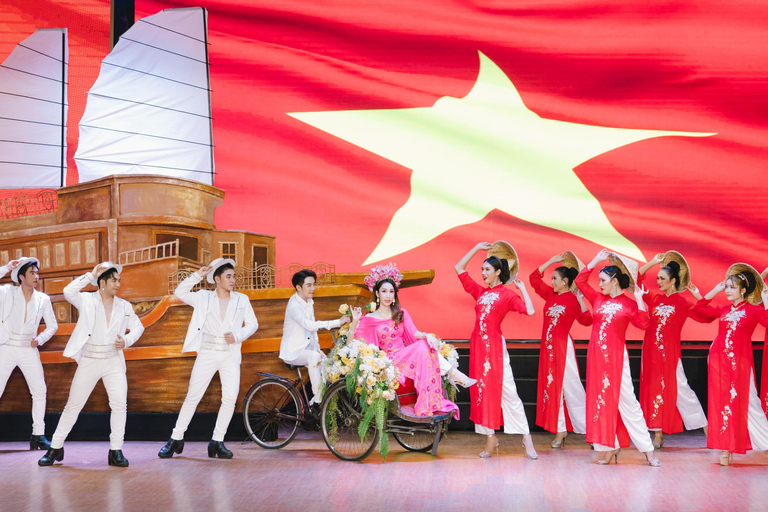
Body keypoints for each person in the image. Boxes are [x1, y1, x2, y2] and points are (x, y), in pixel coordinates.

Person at [39, 262, 144, 467]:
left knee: (119, 405)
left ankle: (116, 451)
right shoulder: (86, 300)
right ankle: (55, 448)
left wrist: (127, 341)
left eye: (119, 280)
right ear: (102, 283)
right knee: (73, 405)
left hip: (113, 359)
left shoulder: (124, 306)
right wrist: (90, 275)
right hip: (89, 359)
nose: (118, 283)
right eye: (114, 280)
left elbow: (138, 328)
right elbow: (68, 291)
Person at [159, 258, 258, 460]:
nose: (233, 280)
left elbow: (253, 324)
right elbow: (180, 292)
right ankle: (176, 439)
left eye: (234, 276)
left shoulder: (242, 299)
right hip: (207, 352)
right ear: (217, 279)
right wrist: (198, 275)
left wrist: (238, 335)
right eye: (228, 276)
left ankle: (217, 441)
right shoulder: (203, 297)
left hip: (229, 354)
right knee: (193, 396)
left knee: (229, 399)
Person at [575, 249, 660, 466]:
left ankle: (649, 451)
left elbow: (644, 324)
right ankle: (610, 447)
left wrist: (640, 301)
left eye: (603, 280)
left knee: (628, 402)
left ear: (614, 281)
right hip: (597, 358)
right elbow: (580, 281)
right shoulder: (597, 298)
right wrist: (595, 259)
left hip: (616, 359)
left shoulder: (629, 303)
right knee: (600, 402)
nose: (600, 284)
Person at [455, 242, 538, 460]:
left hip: (494, 347)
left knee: (508, 391)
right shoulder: (480, 292)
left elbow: (530, 311)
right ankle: (490, 438)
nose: (482, 274)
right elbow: (458, 268)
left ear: (498, 272)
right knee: (481, 392)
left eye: (487, 270)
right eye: (482, 270)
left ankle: (526, 437)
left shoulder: (507, 295)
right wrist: (475, 248)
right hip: (478, 346)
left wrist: (523, 289)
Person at [347, 263, 459, 419]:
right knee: (422, 345)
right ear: (377, 294)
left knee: (424, 343)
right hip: (390, 361)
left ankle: (429, 401)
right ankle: (452, 374)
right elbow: (351, 345)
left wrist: (426, 335)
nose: (388, 295)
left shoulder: (401, 313)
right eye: (384, 291)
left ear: (395, 294)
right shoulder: (370, 319)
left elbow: (414, 334)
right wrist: (355, 322)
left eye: (391, 292)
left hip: (405, 356)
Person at [693, 264, 768, 466]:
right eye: (726, 287)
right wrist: (715, 290)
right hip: (719, 362)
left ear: (743, 290)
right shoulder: (724, 309)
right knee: (721, 404)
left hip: (741, 364)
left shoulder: (754, 310)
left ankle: (763, 442)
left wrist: (766, 301)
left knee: (749, 403)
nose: (727, 290)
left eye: (732, 287)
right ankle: (725, 449)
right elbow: (698, 310)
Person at [637, 251, 709, 449]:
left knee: (682, 389)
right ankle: (658, 433)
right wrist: (653, 262)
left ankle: (706, 429)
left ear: (673, 280)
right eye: (658, 278)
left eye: (662, 278)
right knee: (653, 390)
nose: (658, 281)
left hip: (670, 354)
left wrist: (698, 295)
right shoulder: (654, 299)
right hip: (651, 353)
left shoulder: (683, 303)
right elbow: (635, 279)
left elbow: (706, 316)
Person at [530, 253, 592, 448]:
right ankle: (560, 430)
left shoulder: (573, 300)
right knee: (552, 388)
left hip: (563, 348)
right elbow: (533, 279)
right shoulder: (550, 295)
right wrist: (550, 262)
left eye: (555, 278)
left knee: (571, 388)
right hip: (547, 349)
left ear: (565, 281)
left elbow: (587, 320)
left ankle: (591, 431)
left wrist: (581, 300)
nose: (552, 282)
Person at [0, 257, 57, 450]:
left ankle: (38, 435)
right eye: (32, 273)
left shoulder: (43, 299)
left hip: (28, 349)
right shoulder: (7, 292)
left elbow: (52, 326)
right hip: (6, 346)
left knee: (39, 391)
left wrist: (39, 340)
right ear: (21, 276)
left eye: (37, 273)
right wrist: (7, 267)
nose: (36, 276)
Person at [279, 269, 350, 408]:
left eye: (314, 284)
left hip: (304, 349)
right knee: (314, 358)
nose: (313, 288)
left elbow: (309, 333)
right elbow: (309, 325)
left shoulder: (308, 301)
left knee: (327, 363)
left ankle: (314, 405)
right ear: (298, 287)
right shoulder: (294, 305)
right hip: (293, 351)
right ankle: (318, 402)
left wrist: (317, 349)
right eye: (309, 285)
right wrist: (337, 322)